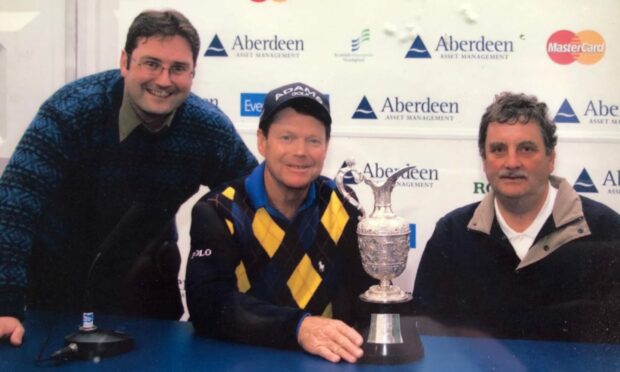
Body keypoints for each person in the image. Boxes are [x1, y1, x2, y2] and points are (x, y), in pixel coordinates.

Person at [0, 9, 257, 347]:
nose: (163, 80)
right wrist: (5, 304)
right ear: (125, 62)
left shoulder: (208, 129)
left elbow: (256, 199)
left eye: (178, 68)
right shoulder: (72, 111)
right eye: (151, 63)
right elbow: (15, 205)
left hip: (145, 286)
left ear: (193, 73)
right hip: (54, 288)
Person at [185, 82, 375, 363]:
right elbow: (208, 305)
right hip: (243, 360)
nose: (301, 151)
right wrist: (298, 326)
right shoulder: (218, 209)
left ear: (326, 147)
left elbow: (365, 295)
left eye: (313, 140)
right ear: (262, 141)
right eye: (287, 137)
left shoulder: (343, 203)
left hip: (325, 362)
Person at [412, 92, 620, 343]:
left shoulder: (606, 231)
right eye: (498, 149)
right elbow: (428, 339)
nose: (512, 162)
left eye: (526, 149)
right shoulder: (451, 235)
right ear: (484, 161)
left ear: (551, 159)